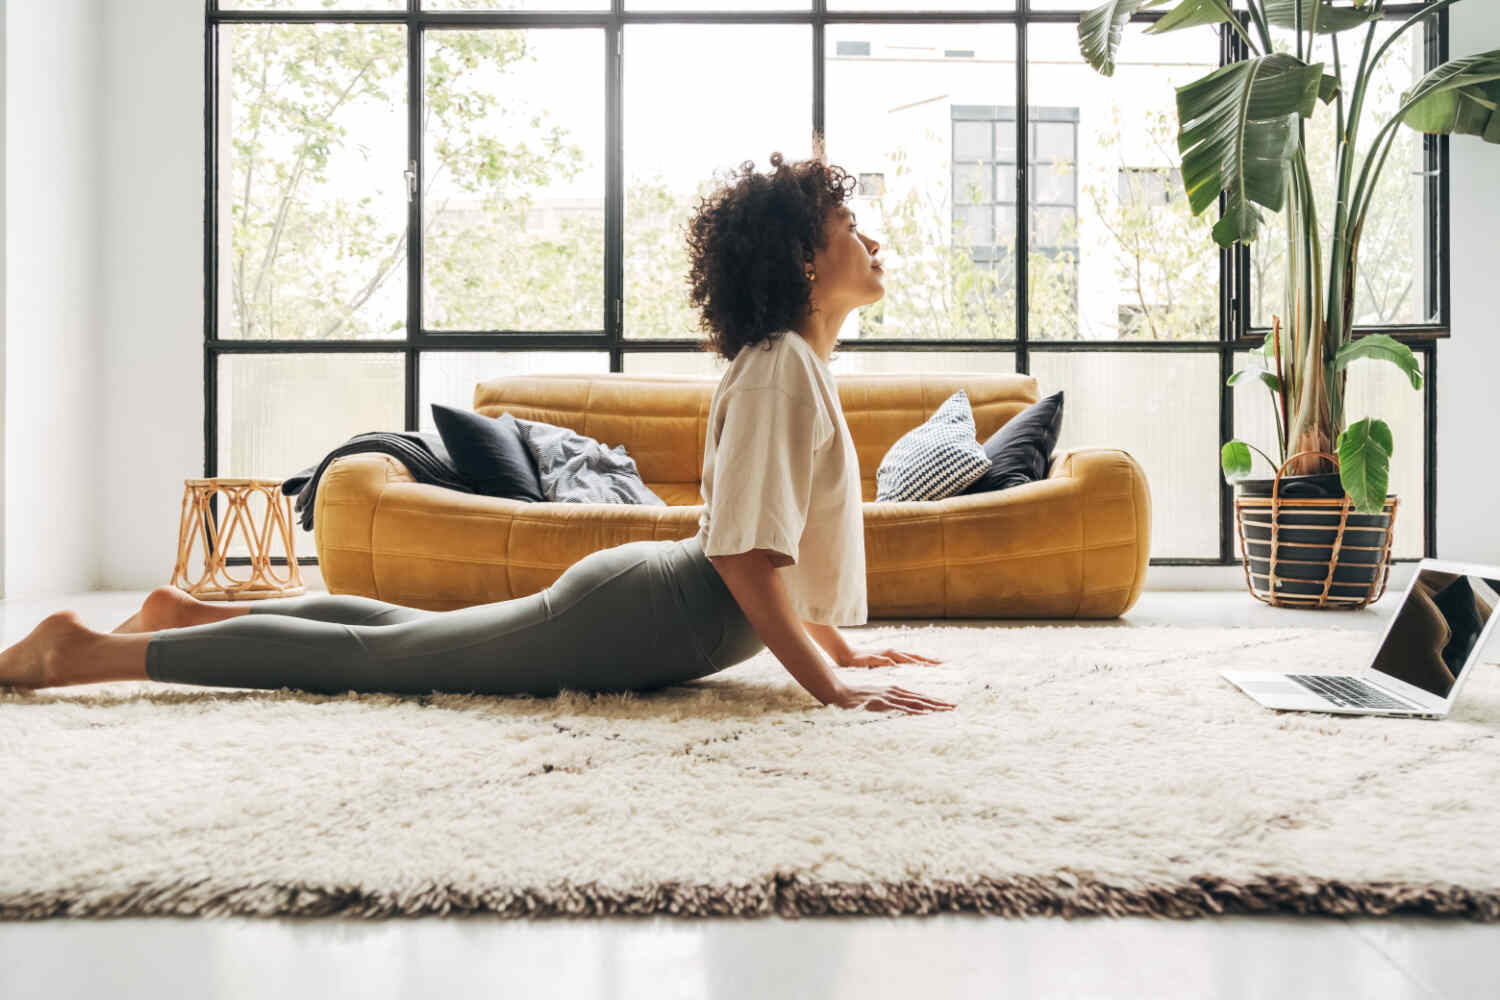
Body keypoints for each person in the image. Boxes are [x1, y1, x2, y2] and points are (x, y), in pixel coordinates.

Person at [0, 150, 955, 717]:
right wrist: (831, 684)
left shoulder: (795, 364)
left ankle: (182, 615)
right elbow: (748, 559)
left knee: (409, 635)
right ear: (801, 255)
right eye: (852, 225)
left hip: (662, 608)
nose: (874, 243)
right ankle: (84, 652)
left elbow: (774, 544)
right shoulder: (783, 367)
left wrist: (840, 647)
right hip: (644, 615)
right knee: (384, 665)